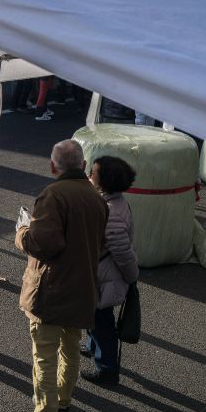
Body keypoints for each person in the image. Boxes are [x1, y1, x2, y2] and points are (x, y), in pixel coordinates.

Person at [9, 139, 108, 412]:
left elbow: (43, 244)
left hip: (51, 291)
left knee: (44, 357)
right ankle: (63, 405)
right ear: (82, 164)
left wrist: (21, 232)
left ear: (54, 166)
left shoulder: (52, 196)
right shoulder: (96, 198)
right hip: (83, 288)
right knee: (70, 348)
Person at [83, 155, 139, 385]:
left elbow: (121, 250)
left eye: (93, 173)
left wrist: (131, 275)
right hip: (105, 274)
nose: (89, 175)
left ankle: (106, 368)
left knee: (101, 320)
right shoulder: (115, 201)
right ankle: (93, 347)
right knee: (96, 316)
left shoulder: (112, 212)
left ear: (105, 180)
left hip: (106, 276)